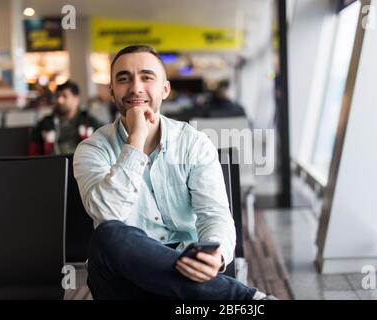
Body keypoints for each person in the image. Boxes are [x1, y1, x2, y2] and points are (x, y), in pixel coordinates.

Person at [73, 45, 276, 300]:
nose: (135, 87)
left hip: (188, 271)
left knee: (190, 275)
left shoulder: (194, 143)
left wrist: (217, 255)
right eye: (124, 79)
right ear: (111, 91)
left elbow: (214, 214)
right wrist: (135, 139)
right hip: (125, 279)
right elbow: (107, 212)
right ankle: (245, 300)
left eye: (147, 77)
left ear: (165, 89)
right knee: (107, 235)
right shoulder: (91, 149)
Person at [28, 80, 102, 155]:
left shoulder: (89, 122)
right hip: (53, 164)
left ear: (76, 99)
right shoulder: (44, 124)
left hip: (83, 163)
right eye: (57, 96)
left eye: (64, 96)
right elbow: (34, 154)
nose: (60, 100)